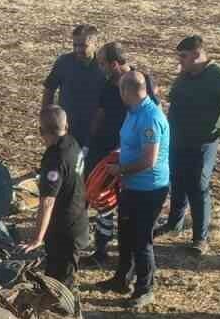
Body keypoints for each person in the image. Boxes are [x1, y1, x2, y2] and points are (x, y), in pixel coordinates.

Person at [161, 35, 220, 254]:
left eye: (183, 56)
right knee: (178, 181)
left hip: (203, 141)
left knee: (198, 187)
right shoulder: (186, 74)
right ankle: (174, 223)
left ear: (197, 55)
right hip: (178, 138)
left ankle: (200, 237)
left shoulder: (219, 75)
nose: (179, 61)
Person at [95, 70, 169, 310]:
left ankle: (145, 288)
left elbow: (149, 160)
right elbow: (129, 144)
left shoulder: (150, 118)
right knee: (125, 234)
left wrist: (120, 170)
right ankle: (121, 279)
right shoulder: (133, 113)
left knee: (141, 239)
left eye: (120, 90)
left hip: (149, 188)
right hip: (130, 185)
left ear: (127, 91)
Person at [84, 44, 157, 266]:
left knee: (127, 206)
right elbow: (101, 113)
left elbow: (153, 119)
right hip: (106, 148)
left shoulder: (141, 84)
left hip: (131, 155)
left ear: (115, 64)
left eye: (103, 64)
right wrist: (90, 144)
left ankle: (131, 256)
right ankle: (102, 247)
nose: (100, 68)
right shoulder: (108, 84)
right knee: (103, 199)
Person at [22, 104, 90, 283]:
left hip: (64, 231)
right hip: (78, 218)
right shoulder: (72, 143)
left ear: (40, 131)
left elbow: (47, 202)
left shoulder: (55, 158)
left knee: (60, 283)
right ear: (66, 127)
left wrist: (37, 238)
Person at [42, 25, 106, 159]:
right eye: (75, 45)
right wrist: (46, 118)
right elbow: (49, 88)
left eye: (83, 46)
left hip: (94, 128)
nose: (78, 50)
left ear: (96, 44)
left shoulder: (103, 67)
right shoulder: (64, 62)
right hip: (67, 126)